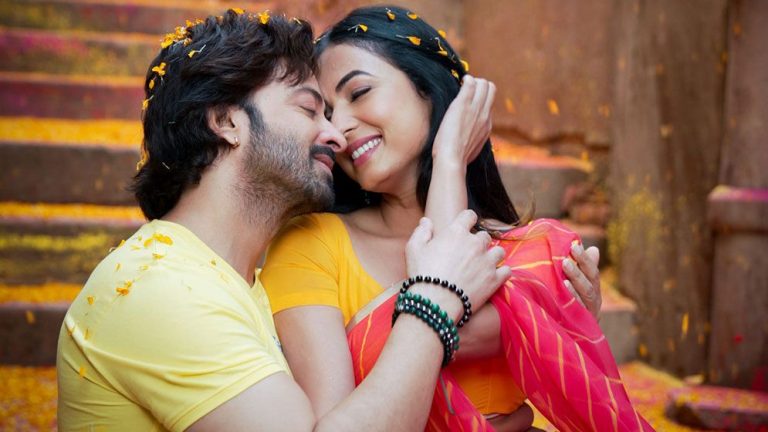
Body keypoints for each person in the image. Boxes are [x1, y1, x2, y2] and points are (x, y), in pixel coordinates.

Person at [56, 10, 511, 431]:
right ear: (226, 122)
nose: (335, 135)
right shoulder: (163, 287)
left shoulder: (232, 284)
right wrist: (433, 299)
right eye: (310, 109)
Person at [261, 6, 653, 431]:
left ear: (427, 89)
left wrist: (572, 325)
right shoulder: (310, 246)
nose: (339, 128)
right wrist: (448, 158)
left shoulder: (527, 252)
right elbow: (439, 308)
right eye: (326, 113)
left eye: (359, 93)